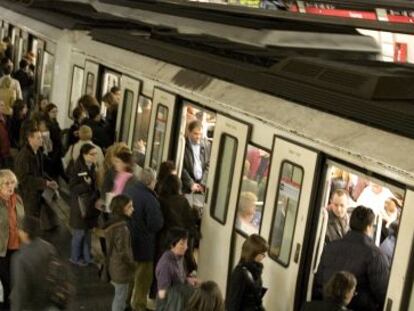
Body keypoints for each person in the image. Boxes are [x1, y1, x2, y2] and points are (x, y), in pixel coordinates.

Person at [314, 206, 390, 311]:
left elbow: (319, 279)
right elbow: (382, 293)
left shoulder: (330, 247)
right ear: (369, 227)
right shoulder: (376, 255)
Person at [124, 168, 164, 311]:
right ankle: (138, 306)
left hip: (128, 242)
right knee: (142, 280)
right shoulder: (149, 199)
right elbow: (156, 224)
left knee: (129, 277)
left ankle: (125, 303)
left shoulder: (128, 191)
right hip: (144, 246)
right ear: (151, 182)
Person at [10, 216, 59, 311]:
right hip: (48, 302)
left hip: (32, 305)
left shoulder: (20, 258)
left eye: (19, 230)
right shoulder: (49, 247)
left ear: (25, 233)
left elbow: (20, 291)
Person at [158, 174, 199, 274]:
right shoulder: (182, 201)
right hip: (177, 241)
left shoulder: (160, 200)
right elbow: (189, 222)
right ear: (177, 186)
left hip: (163, 241)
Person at [15, 125, 58, 218]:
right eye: (38, 138)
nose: (41, 140)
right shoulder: (24, 157)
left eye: (41, 137)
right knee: (32, 220)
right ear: (30, 139)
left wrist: (49, 181)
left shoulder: (37, 151)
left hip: (37, 193)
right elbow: (24, 179)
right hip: (28, 195)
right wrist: (45, 182)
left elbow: (40, 172)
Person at [68, 143, 100, 266]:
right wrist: (86, 184)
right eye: (92, 154)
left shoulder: (91, 166)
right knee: (79, 233)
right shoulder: (76, 167)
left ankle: (87, 256)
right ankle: (74, 257)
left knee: (87, 232)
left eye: (95, 154)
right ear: (84, 155)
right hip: (79, 206)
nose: (94, 156)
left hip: (88, 204)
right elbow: (72, 188)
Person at [104, 194, 135, 311]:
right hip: (121, 269)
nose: (133, 209)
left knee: (119, 296)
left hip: (114, 265)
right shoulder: (122, 228)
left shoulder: (113, 222)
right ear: (122, 209)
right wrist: (133, 265)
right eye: (130, 207)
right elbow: (124, 253)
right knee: (120, 298)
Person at [0, 170, 24, 310]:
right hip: (2, 251)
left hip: (17, 247)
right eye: (6, 183)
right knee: (7, 283)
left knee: (16, 281)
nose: (10, 186)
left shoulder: (18, 199)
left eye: (12, 183)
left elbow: (21, 221)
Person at [226, 234, 268, 311]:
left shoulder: (255, 269)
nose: (264, 257)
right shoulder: (240, 274)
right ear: (253, 253)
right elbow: (233, 304)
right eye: (262, 254)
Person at [155, 228, 196, 301]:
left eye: (186, 243)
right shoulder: (166, 265)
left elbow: (179, 279)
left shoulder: (180, 257)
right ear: (172, 244)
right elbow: (163, 295)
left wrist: (187, 280)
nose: (186, 247)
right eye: (182, 243)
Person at [181, 120, 210, 194]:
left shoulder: (206, 145)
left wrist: (203, 183)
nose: (198, 137)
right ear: (189, 132)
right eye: (195, 134)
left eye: (200, 134)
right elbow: (181, 166)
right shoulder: (183, 145)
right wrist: (191, 184)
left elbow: (208, 165)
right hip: (187, 187)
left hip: (201, 187)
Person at [44, 103, 64, 180]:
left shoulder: (55, 122)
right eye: (53, 112)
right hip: (52, 151)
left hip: (57, 149)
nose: (55, 113)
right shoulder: (47, 124)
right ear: (48, 112)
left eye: (56, 111)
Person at [0, 99, 11, 168]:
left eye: (3, 105)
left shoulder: (5, 117)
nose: (2, 107)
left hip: (5, 150)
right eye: (1, 105)